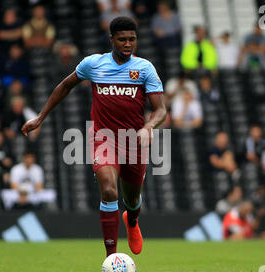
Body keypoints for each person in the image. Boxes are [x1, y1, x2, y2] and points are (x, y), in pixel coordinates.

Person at [21, 17, 166, 257]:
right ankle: (112, 259)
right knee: (109, 191)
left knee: (132, 199)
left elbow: (160, 109)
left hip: (134, 142)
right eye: (122, 39)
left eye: (132, 39)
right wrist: (40, 118)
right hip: (104, 139)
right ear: (111, 40)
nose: (128, 44)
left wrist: (149, 126)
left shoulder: (144, 68)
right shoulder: (93, 64)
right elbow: (65, 86)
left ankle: (131, 221)